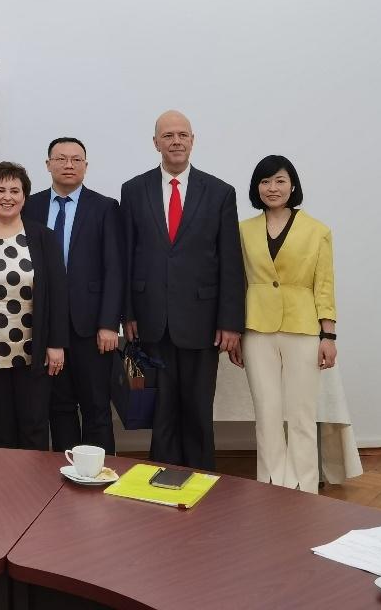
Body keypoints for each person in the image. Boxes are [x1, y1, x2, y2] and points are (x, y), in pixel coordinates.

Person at [120, 110, 245, 470]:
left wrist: (230, 322)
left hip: (202, 321)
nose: (176, 141)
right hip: (151, 319)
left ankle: (202, 478)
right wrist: (128, 312)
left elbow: (230, 261)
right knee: (161, 409)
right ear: (155, 143)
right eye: (168, 135)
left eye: (182, 135)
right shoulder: (134, 190)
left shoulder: (220, 192)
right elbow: (127, 255)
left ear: (192, 140)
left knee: (197, 407)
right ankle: (162, 476)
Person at [239, 155, 336, 494]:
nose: (272, 188)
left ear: (292, 185)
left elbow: (324, 285)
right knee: (266, 412)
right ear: (256, 188)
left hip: (303, 327)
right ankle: (270, 484)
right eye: (265, 181)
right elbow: (237, 282)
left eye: (280, 180)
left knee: (301, 412)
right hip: (256, 328)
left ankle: (304, 486)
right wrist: (235, 330)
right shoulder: (243, 230)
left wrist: (328, 334)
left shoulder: (317, 230)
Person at [23, 138, 124, 453]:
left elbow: (115, 268)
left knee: (96, 407)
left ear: (85, 166)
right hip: (47, 325)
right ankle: (66, 473)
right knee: (59, 407)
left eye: (76, 159)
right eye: (61, 158)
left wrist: (109, 323)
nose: (69, 165)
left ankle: (101, 472)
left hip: (92, 327)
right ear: (48, 164)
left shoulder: (104, 207)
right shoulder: (31, 206)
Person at [0, 162, 68, 450]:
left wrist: (56, 343)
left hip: (34, 349)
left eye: (15, 190)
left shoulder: (42, 236)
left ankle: (35, 479)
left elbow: (58, 292)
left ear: (24, 197)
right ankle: (5, 479)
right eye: (0, 190)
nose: (7, 197)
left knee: (34, 424)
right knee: (1, 425)